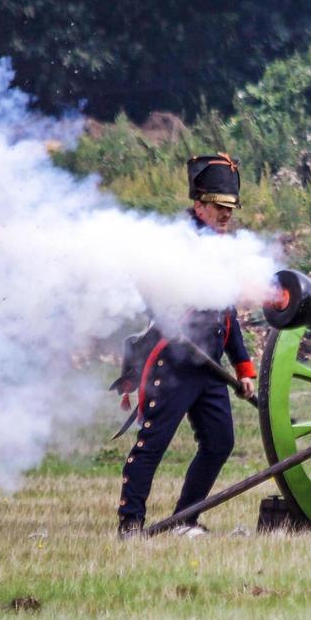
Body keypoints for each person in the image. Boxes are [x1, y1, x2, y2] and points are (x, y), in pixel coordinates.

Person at [117, 153, 257, 539]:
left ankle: (185, 519)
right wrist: (166, 321)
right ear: (199, 204)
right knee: (153, 443)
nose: (226, 215)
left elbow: (228, 316)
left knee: (220, 442)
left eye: (230, 208)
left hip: (208, 364)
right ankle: (130, 524)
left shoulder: (224, 247)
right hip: (174, 362)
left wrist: (244, 369)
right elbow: (143, 282)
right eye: (218, 207)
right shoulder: (176, 240)